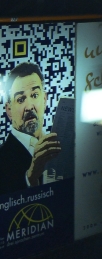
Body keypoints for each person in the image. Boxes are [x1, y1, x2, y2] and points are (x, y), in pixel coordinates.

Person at [0, 63, 62, 194]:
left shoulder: (62, 143)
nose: (29, 106)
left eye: (34, 95)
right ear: (9, 110)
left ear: (44, 99)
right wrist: (30, 179)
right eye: (21, 99)